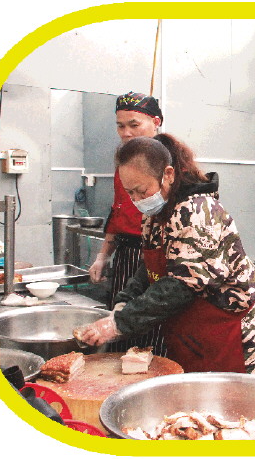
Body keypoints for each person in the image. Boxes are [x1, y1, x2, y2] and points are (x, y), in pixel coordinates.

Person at [78, 133, 255, 377]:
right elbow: (149, 267)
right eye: (130, 193)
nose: (136, 201)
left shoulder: (197, 212)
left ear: (168, 175)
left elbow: (181, 286)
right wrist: (124, 302)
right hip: (191, 333)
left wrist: (120, 323)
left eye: (141, 191)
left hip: (227, 332)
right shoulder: (157, 213)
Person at [88, 91, 164, 353]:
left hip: (156, 255)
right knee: (119, 330)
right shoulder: (124, 163)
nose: (126, 133)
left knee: (150, 331)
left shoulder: (168, 163)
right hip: (126, 255)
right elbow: (117, 211)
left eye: (134, 124)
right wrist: (103, 256)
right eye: (120, 126)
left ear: (156, 122)